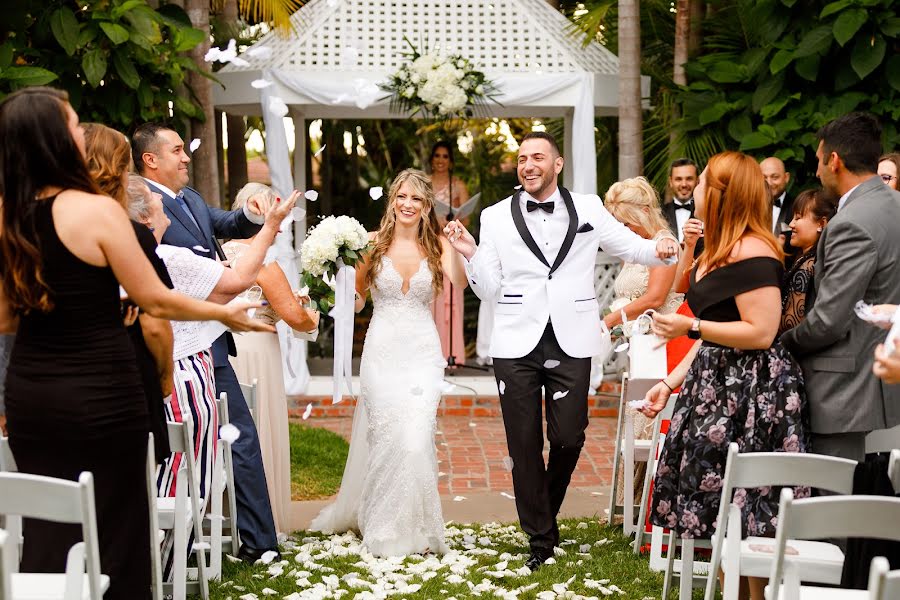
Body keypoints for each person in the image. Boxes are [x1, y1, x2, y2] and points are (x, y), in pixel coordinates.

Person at [0, 87, 270, 599]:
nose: (82, 135)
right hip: (102, 392)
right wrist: (225, 312)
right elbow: (157, 300)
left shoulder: (6, 215)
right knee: (119, 531)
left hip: (32, 395)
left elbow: (5, 319)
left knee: (47, 529)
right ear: (53, 139)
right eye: (74, 125)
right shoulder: (97, 212)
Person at [444, 132, 678, 570]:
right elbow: (490, 288)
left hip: (573, 335)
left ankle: (542, 515)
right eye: (521, 159)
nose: (528, 164)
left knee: (569, 437)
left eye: (537, 157)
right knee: (524, 443)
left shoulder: (588, 207)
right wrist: (470, 253)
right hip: (515, 341)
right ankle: (539, 540)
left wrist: (662, 249)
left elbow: (633, 247)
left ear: (557, 164)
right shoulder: (495, 217)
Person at [641, 151, 810, 600]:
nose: (694, 187)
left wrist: (690, 325)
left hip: (751, 393)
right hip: (714, 383)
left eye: (703, 183)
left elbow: (760, 332)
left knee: (748, 511)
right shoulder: (718, 247)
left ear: (721, 193)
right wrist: (670, 382)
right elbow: (709, 332)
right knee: (721, 516)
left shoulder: (755, 250)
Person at [127, 176, 295, 576]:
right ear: (147, 217)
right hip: (183, 372)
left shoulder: (142, 252)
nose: (163, 206)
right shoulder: (166, 257)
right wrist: (270, 227)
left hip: (164, 368)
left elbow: (218, 290)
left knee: (166, 463)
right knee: (188, 467)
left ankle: (148, 557)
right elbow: (226, 288)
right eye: (155, 203)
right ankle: (165, 562)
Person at [310, 169, 466, 556]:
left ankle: (417, 524)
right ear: (392, 202)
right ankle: (381, 525)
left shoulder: (438, 247)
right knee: (386, 439)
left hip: (423, 355)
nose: (408, 205)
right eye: (401, 197)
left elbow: (460, 283)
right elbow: (359, 298)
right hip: (381, 353)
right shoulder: (371, 245)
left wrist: (459, 247)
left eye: (416, 199)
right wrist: (339, 296)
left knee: (415, 439)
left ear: (427, 205)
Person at [781, 113, 900, 462]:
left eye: (818, 161)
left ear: (834, 161)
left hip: (843, 394)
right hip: (886, 382)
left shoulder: (850, 223)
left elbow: (830, 319)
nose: (817, 172)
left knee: (832, 507)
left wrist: (781, 344)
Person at [224, 182, 320, 534]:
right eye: (275, 215)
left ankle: (225, 521)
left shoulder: (220, 252)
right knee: (257, 433)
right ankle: (261, 524)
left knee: (228, 434)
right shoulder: (263, 263)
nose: (280, 225)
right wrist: (314, 308)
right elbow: (295, 317)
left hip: (226, 352)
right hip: (258, 353)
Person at [84, 123, 175, 462]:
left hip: (44, 387)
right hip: (120, 382)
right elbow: (154, 322)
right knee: (127, 501)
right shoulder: (128, 235)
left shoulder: (32, 227)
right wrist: (164, 377)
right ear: (119, 171)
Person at [602, 176, 683, 506]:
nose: (623, 229)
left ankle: (646, 505)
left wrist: (609, 321)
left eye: (626, 222)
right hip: (639, 344)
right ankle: (628, 505)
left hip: (660, 345)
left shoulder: (664, 243)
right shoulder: (634, 247)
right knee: (634, 420)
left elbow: (654, 297)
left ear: (645, 212)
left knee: (647, 421)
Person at [429, 141, 470, 365]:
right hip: (428, 244)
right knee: (430, 296)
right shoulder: (424, 183)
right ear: (432, 159)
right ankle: (431, 353)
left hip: (451, 245)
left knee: (451, 299)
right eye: (437, 155)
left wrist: (453, 218)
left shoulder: (458, 185)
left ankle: (451, 353)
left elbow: (467, 218)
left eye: (445, 156)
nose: (441, 160)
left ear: (450, 161)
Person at [779, 189, 836, 336]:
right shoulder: (802, 257)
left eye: (798, 218)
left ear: (822, 223)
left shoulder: (809, 265)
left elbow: (791, 323)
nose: (791, 224)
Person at [662, 158, 698, 244]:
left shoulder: (707, 214)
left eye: (689, 179)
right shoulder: (659, 214)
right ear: (670, 182)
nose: (684, 184)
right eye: (678, 179)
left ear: (697, 181)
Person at [759, 156, 794, 235]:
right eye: (764, 178)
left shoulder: (796, 207)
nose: (769, 183)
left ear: (786, 177)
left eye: (775, 177)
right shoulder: (749, 206)